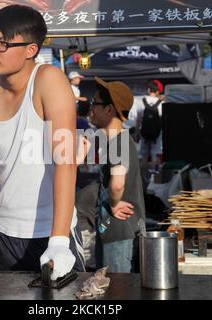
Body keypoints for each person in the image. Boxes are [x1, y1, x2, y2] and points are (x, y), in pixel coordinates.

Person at [0, 5, 84, 278]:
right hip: (6, 232)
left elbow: (65, 162)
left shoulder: (49, 80)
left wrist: (58, 240)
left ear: (31, 50)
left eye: (2, 43)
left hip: (53, 229)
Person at [88, 77, 145, 273]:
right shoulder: (115, 141)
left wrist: (113, 203)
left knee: (117, 292)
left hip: (120, 234)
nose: (91, 108)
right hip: (115, 233)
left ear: (110, 109)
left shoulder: (119, 142)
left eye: (94, 103)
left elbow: (117, 184)